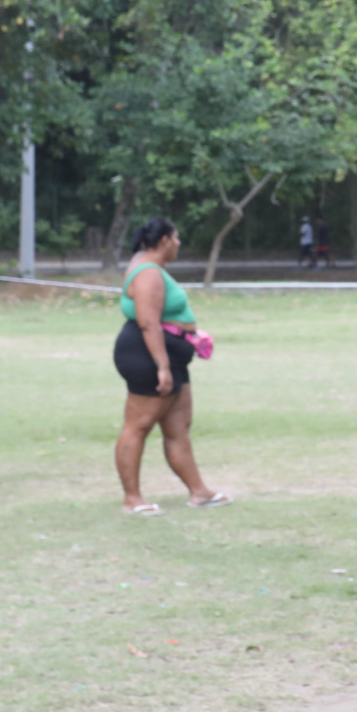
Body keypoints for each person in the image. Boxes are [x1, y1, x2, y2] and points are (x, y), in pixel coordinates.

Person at [111, 218, 230, 515]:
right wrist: (162, 367)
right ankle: (132, 499)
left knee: (178, 426)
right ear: (164, 240)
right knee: (138, 426)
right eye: (176, 238)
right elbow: (149, 323)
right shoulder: (149, 272)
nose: (179, 244)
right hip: (148, 354)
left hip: (171, 353)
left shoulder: (147, 264)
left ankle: (199, 492)